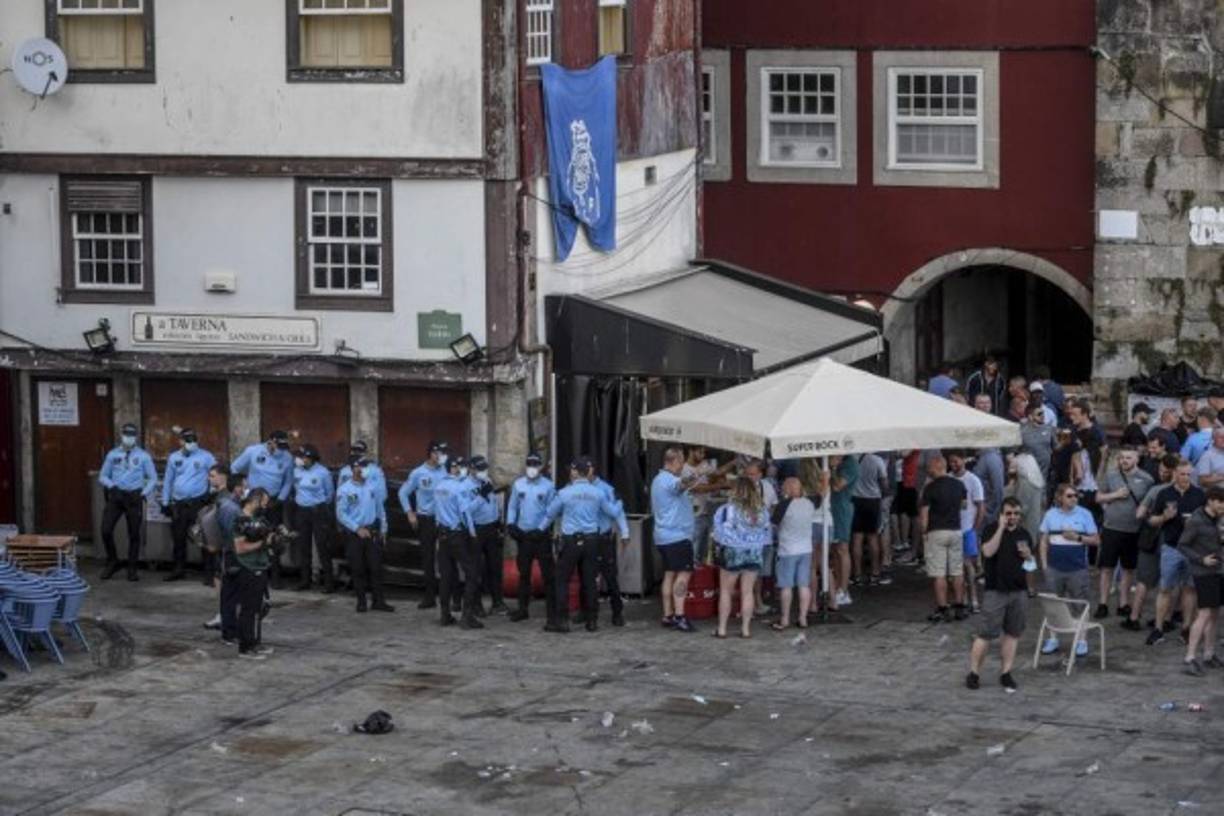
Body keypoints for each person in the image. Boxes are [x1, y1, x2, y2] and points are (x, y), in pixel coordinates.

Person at [541, 457, 629, 633]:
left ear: (575, 472)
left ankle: (562, 620)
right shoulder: (597, 493)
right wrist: (619, 502)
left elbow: (550, 513)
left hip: (571, 541)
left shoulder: (565, 492)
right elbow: (612, 511)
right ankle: (592, 621)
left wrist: (539, 529)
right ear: (587, 472)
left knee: (561, 579)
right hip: (592, 540)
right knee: (590, 580)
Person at [966, 497, 1033, 691]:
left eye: (1016, 514)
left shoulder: (1024, 534)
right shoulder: (990, 530)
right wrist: (1000, 528)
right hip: (996, 590)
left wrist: (1029, 557)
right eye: (1008, 513)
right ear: (1002, 514)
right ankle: (974, 673)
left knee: (1013, 634)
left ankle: (1006, 672)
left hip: (1018, 591)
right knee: (985, 634)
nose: (1012, 517)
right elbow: (987, 552)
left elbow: (1030, 565)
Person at [1144, 460, 1205, 646]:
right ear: (1175, 474)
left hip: (1193, 548)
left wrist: (1194, 525)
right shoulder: (1164, 493)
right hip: (1171, 547)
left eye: (1188, 474)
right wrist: (1164, 517)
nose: (1185, 477)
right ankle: (1158, 628)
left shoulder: (1199, 494)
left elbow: (1210, 520)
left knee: (1190, 589)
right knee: (1165, 589)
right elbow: (1151, 520)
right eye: (1182, 474)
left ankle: (1186, 628)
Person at [1038, 485, 1100, 657]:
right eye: (1070, 496)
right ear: (1060, 498)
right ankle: (1053, 639)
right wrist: (1044, 565)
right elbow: (1043, 541)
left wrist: (1078, 537)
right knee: (1053, 606)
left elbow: (1096, 540)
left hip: (1077, 569)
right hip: (1054, 568)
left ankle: (1082, 640)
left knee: (1081, 604)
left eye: (1076, 495)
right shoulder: (1050, 514)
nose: (1074, 498)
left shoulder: (1085, 514)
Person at [1094, 446, 1154, 620]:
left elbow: (1148, 504)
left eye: (1128, 458)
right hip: (1111, 528)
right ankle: (1103, 603)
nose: (1124, 461)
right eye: (1121, 458)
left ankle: (1123, 603)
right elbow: (1098, 497)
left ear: (1136, 459)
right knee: (1106, 568)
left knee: (1128, 569)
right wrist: (1114, 495)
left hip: (1133, 530)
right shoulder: (1111, 475)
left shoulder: (1146, 479)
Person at [712, 476, 772, 639]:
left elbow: (718, 534)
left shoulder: (727, 509)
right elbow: (767, 533)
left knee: (726, 591)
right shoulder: (762, 510)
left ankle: (722, 628)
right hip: (754, 552)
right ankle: (745, 629)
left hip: (733, 551)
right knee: (748, 592)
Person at [1125, 453, 1180, 632]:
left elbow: (1139, 514)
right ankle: (1166, 619)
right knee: (1171, 583)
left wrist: (1152, 515)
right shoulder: (1188, 492)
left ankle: (1134, 617)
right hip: (1175, 542)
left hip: (1153, 539)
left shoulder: (1156, 490)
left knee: (1143, 581)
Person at [231, 430, 293, 587]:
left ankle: (275, 576)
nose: (281, 449)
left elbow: (288, 481)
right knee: (250, 534)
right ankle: (250, 570)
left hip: (273, 502)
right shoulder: (253, 451)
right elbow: (235, 468)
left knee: (272, 537)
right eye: (279, 446)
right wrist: (244, 490)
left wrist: (280, 499)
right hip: (253, 502)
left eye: (284, 446)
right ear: (271, 441)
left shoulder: (287, 457)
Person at [97, 422, 157, 581]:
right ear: (121, 435)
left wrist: (143, 493)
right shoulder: (112, 454)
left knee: (134, 534)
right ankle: (112, 560)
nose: (128, 438)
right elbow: (103, 476)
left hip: (134, 497)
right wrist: (112, 487)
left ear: (135, 437)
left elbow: (152, 478)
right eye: (126, 435)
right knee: (106, 530)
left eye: (131, 435)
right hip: (116, 496)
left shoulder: (143, 456)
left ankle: (132, 567)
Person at [649, 449, 700, 632]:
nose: (682, 466)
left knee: (670, 574)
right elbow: (680, 485)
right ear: (674, 461)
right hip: (677, 536)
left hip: (663, 536)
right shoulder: (669, 481)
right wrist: (694, 476)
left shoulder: (657, 480)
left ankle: (667, 614)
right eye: (681, 462)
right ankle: (680, 615)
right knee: (683, 575)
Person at [1176, 486, 1224, 675]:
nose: (1223, 506)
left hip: (1219, 570)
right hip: (1204, 572)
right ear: (1210, 501)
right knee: (1204, 614)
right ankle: (1189, 658)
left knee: (1215, 613)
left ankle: (1209, 654)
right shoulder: (1196, 521)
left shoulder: (1219, 519)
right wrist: (1201, 559)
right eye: (1221, 502)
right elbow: (1182, 545)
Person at [336, 458, 392, 614]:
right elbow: (341, 514)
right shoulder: (345, 489)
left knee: (376, 567)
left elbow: (380, 509)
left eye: (365, 466)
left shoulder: (372, 487)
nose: (364, 469)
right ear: (353, 469)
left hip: (373, 531)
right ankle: (361, 602)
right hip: (355, 534)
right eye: (361, 466)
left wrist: (384, 529)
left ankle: (378, 601)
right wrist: (356, 528)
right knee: (358, 568)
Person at [161, 428, 217, 582]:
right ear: (180, 441)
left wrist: (210, 492)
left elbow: (216, 475)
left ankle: (209, 573)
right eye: (188, 441)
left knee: (204, 537)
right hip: (179, 504)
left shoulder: (206, 456)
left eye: (193, 440)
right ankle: (179, 570)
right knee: (178, 538)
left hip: (198, 503)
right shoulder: (174, 457)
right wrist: (165, 502)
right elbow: (168, 481)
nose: (191, 443)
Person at [398, 441, 449, 610]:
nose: (440, 456)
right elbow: (403, 493)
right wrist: (409, 512)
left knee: (446, 558)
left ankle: (447, 595)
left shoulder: (446, 470)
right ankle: (429, 596)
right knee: (427, 558)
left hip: (443, 519)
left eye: (442, 453)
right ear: (430, 454)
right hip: (426, 519)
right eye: (438, 453)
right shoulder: (418, 473)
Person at [506, 453, 557, 623]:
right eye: (529, 464)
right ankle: (522, 609)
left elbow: (551, 512)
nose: (532, 468)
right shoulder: (518, 485)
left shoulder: (549, 486)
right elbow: (513, 506)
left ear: (541, 466)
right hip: (524, 535)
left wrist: (542, 529)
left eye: (535, 464)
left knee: (548, 574)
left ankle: (552, 611)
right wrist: (511, 524)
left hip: (541, 536)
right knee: (524, 574)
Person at [433, 456, 480, 628]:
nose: (460, 469)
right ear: (453, 468)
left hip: (442, 534)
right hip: (457, 535)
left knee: (446, 575)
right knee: (472, 573)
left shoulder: (438, 487)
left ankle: (445, 615)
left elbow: (436, 512)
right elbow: (466, 512)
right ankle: (467, 616)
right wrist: (473, 535)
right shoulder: (459, 488)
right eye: (457, 467)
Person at [919, 455, 968, 623]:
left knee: (938, 572)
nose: (928, 470)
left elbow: (924, 514)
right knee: (957, 570)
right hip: (955, 530)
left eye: (930, 467)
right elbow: (964, 505)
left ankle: (943, 608)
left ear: (937, 466)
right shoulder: (959, 485)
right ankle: (960, 606)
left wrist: (923, 532)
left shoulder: (930, 488)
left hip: (936, 531)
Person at [231, 488, 275, 660]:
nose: (265, 506)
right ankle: (245, 647)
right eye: (263, 503)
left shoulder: (258, 519)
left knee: (258, 607)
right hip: (247, 567)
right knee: (248, 609)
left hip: (261, 566)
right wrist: (263, 543)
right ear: (255, 501)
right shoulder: (240, 521)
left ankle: (255, 642)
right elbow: (240, 548)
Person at [589, 463, 629, 627]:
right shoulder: (578, 488)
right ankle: (588, 612)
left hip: (604, 538)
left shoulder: (605, 489)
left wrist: (625, 532)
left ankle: (617, 613)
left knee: (610, 577)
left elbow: (617, 512)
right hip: (588, 538)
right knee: (588, 577)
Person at [290, 444, 334, 592]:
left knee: (323, 546)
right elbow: (295, 489)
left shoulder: (323, 472)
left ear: (312, 458)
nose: (301, 460)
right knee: (304, 547)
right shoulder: (296, 470)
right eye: (300, 457)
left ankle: (329, 583)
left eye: (304, 457)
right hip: (301, 510)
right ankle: (305, 580)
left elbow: (329, 494)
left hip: (318, 511)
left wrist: (318, 506)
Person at [207, 469, 245, 642]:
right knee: (229, 593)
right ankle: (229, 632)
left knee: (231, 593)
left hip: (229, 552)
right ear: (236, 488)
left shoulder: (231, 503)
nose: (246, 490)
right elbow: (232, 534)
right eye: (244, 486)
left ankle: (230, 628)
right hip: (231, 554)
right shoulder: (230, 507)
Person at [771, 477, 814, 630]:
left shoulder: (784, 505)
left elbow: (773, 523)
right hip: (806, 549)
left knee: (786, 586)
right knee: (804, 585)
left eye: (783, 487)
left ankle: (785, 619)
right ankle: (803, 618)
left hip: (788, 550)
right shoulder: (809, 503)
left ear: (787, 489)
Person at [467, 455, 507, 616]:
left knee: (495, 567)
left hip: (491, 528)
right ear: (471, 469)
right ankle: (476, 604)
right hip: (476, 529)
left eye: (484, 468)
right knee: (475, 569)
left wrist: (498, 520)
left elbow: (494, 502)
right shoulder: (465, 486)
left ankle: (497, 602)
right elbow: (467, 510)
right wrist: (480, 497)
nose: (483, 472)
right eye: (479, 469)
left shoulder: (487, 481)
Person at [1004, 448, 1046, 597]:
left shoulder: (1025, 483)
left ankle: (1028, 587)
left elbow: (1020, 507)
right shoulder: (1036, 482)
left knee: (1024, 556)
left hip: (1023, 526)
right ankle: (1029, 587)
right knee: (1028, 556)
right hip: (1032, 525)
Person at [948, 451, 985, 615]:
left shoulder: (973, 480)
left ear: (963, 460)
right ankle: (960, 598)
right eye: (951, 462)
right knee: (955, 566)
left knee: (968, 565)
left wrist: (975, 529)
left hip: (967, 528)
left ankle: (974, 598)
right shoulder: (948, 479)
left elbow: (981, 506)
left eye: (956, 461)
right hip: (951, 528)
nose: (953, 465)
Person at [850, 452, 890, 587]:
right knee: (873, 538)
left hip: (855, 500)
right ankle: (875, 574)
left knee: (857, 538)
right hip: (873, 500)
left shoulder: (852, 459)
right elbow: (884, 483)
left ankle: (857, 575)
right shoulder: (878, 460)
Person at [828, 454, 858, 607]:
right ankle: (837, 586)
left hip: (841, 509)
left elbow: (838, 485)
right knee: (834, 549)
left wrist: (833, 467)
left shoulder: (850, 463)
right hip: (830, 508)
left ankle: (844, 590)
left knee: (842, 548)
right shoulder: (834, 458)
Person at [1020, 401, 1055, 480]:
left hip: (1045, 473)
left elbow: (1056, 447)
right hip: (1028, 474)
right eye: (1039, 414)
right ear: (1030, 417)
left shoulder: (1049, 429)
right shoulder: (1022, 431)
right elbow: (1013, 452)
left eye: (1043, 413)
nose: (1042, 416)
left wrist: (1064, 443)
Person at [974, 446, 1006, 529]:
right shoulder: (982, 457)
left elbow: (998, 489)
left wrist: (989, 511)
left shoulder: (991, 458)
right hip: (980, 511)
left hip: (988, 515)